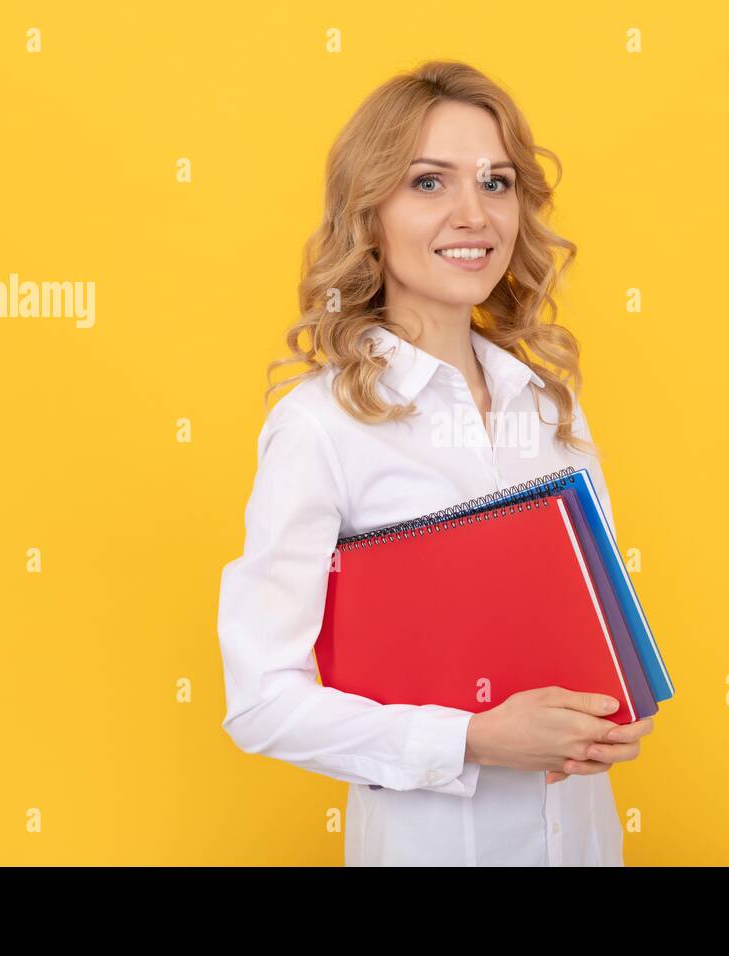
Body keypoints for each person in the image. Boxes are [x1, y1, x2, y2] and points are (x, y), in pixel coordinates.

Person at [216, 60, 654, 866]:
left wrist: (617, 711)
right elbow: (261, 701)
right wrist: (473, 739)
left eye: (496, 182)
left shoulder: (550, 407)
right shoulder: (320, 426)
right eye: (429, 183)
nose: (473, 214)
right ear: (367, 215)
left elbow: (603, 639)